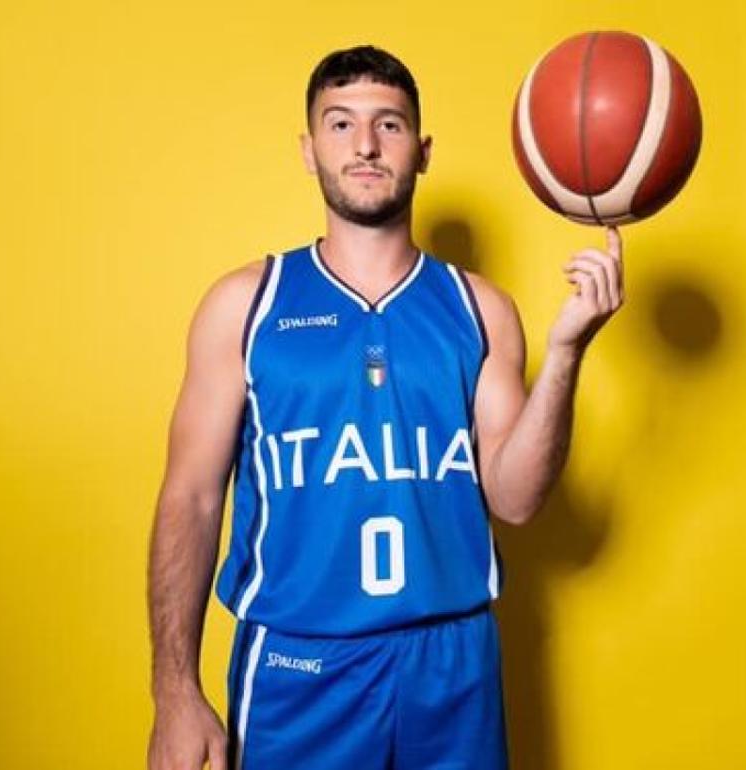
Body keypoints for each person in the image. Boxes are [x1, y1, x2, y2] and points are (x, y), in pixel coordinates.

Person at [146, 44, 623, 770]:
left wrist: (567, 352)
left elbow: (517, 499)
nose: (365, 144)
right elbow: (191, 497)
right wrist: (174, 691)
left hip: (454, 665)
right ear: (308, 151)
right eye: (340, 125)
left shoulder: (480, 309)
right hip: (301, 666)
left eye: (389, 125)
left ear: (422, 150)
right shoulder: (246, 306)